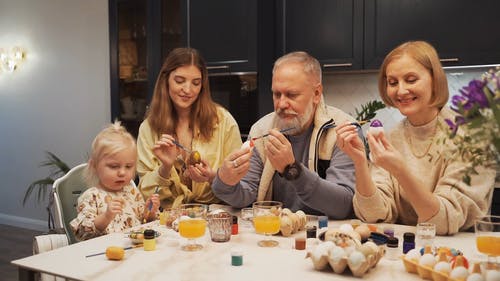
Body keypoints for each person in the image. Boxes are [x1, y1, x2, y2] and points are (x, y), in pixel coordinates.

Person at [336, 41, 496, 235]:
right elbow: (374, 215)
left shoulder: (471, 138)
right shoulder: (392, 137)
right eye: (393, 82)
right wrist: (360, 162)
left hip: (465, 255)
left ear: (435, 80)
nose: (401, 91)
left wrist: (400, 171)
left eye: (411, 80)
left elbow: (444, 221)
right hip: (408, 252)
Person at [211, 51, 360, 219]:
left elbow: (344, 206)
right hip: (274, 235)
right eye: (276, 94)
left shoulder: (343, 131)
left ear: (316, 94)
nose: (281, 104)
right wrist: (225, 182)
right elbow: (247, 197)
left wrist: (292, 170)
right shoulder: (261, 130)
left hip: (325, 237)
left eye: (292, 95)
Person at [137, 47, 242, 208]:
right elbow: (146, 197)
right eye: (179, 81)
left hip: (216, 218)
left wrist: (214, 177)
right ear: (166, 80)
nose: (188, 90)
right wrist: (165, 168)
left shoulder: (223, 121)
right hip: (167, 221)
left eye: (196, 83)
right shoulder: (149, 129)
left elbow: (242, 183)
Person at [70, 121, 160, 241]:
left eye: (128, 166)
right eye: (114, 166)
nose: (122, 172)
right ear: (94, 166)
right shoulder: (91, 197)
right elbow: (82, 232)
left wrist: (150, 212)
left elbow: (143, 222)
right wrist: (106, 216)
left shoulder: (132, 192)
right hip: (104, 254)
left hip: (134, 251)